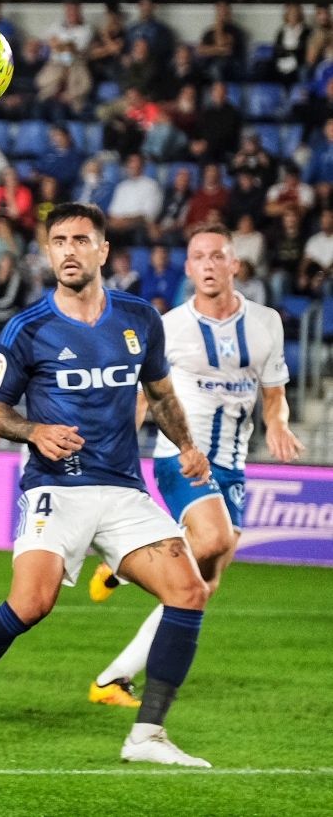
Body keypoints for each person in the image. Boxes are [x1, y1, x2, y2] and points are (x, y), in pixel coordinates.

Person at [0, 202, 215, 768]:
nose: (69, 249)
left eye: (81, 240)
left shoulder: (139, 317)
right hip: (54, 489)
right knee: (29, 604)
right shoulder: (28, 328)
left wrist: (187, 445)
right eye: (59, 240)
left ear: (103, 251)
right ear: (47, 251)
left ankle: (147, 736)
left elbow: (160, 394)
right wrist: (34, 430)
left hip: (121, 489)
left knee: (189, 592)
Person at [84, 223, 303, 708]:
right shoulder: (170, 327)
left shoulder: (266, 322)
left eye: (217, 255)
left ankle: (112, 679)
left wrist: (280, 425)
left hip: (234, 466)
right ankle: (126, 560)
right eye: (199, 256)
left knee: (199, 587)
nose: (208, 264)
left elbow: (274, 398)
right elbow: (146, 397)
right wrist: (116, 448)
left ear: (234, 265)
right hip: (182, 457)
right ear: (188, 268)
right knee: (214, 539)